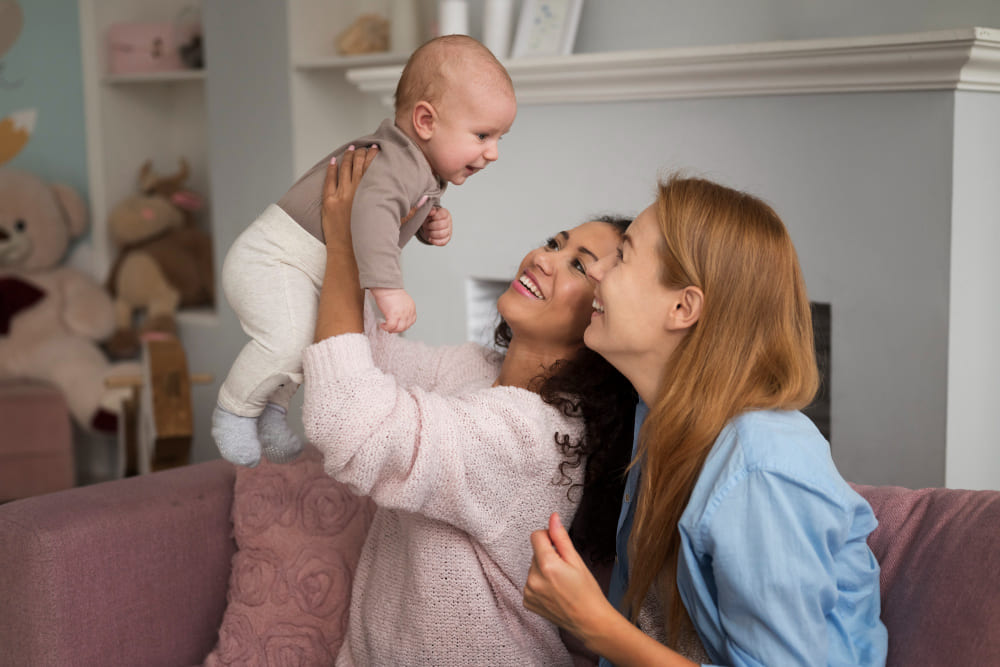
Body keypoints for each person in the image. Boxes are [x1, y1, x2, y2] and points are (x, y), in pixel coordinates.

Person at [523, 175, 889, 666]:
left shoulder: (760, 466)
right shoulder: (658, 420)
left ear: (682, 307)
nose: (598, 273)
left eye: (623, 257)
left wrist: (594, 622)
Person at [302, 145, 636, 665]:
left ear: (603, 314)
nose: (542, 258)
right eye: (554, 242)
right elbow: (359, 355)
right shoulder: (477, 369)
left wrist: (345, 248)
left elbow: (346, 419)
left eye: (576, 265)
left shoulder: (537, 436)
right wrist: (380, 229)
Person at [212, 35, 518, 467]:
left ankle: (271, 413)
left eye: (501, 137)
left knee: (308, 344)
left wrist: (429, 224)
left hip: (304, 267)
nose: (494, 153)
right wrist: (388, 288)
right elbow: (371, 214)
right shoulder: (395, 161)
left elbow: (388, 213)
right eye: (483, 135)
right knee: (285, 341)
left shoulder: (420, 171)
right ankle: (234, 410)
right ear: (426, 121)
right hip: (274, 258)